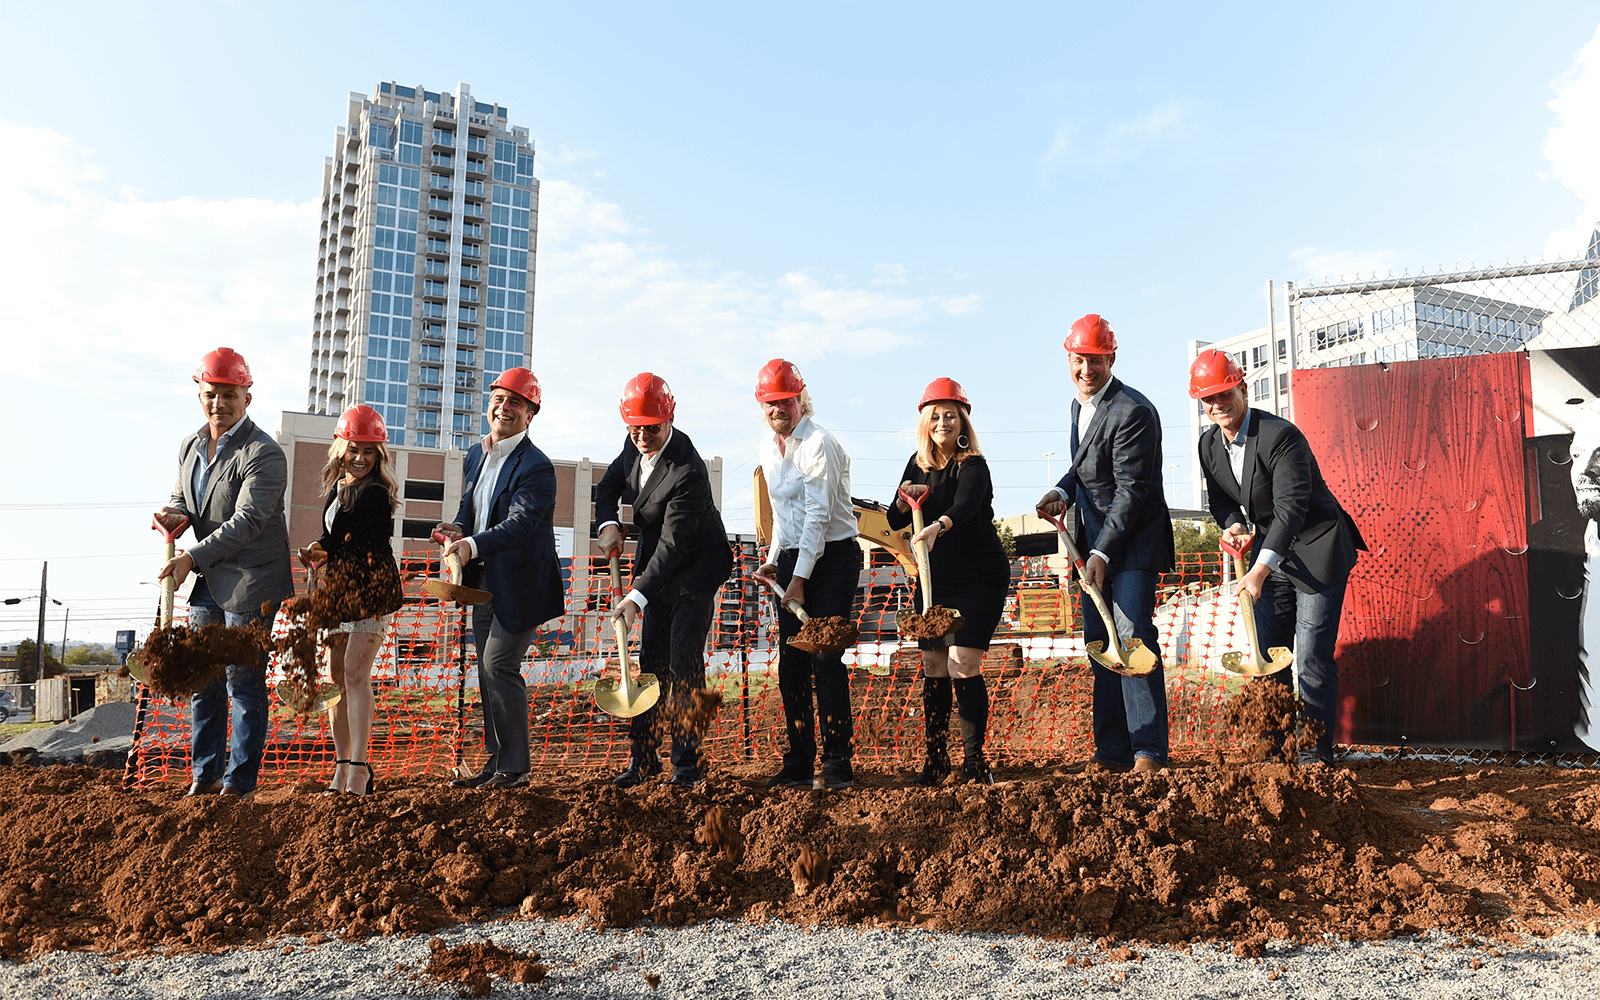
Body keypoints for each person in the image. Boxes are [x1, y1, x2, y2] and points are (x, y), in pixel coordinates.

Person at [1190, 349, 1366, 764]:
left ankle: (1313, 756)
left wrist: (1259, 570)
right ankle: (1275, 753)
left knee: (1310, 657)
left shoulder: (1280, 436)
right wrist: (1233, 524)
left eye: (1224, 393)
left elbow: (1292, 509)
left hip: (1317, 549)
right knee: (1267, 654)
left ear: (1242, 388)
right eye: (1208, 399)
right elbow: (1220, 501)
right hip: (1274, 554)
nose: (1217, 405)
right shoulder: (1208, 445)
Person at [1036, 314, 1175, 774]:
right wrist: (1060, 491)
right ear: (1069, 359)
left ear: (1111, 357)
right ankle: (1111, 754)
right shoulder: (1081, 405)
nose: (1086, 369)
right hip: (1095, 541)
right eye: (1079, 360)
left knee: (1132, 637)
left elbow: (1132, 490)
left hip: (1131, 544)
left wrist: (1101, 552)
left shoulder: (1132, 410)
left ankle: (1149, 754)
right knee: (1100, 642)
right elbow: (1083, 470)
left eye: (1095, 360)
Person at [155, 347, 293, 800]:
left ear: (247, 398)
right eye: (211, 394)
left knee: (243, 683)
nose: (219, 403)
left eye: (229, 395)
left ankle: (239, 782)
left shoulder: (265, 453)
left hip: (252, 579)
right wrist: (172, 515)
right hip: (210, 578)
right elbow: (183, 500)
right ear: (199, 393)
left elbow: (248, 521)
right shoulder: (190, 446)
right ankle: (205, 773)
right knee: (203, 678)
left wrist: (191, 558)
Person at [594, 374, 734, 789]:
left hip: (694, 568)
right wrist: (607, 524)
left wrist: (636, 599)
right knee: (650, 664)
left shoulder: (687, 469)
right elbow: (607, 486)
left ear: (668, 419)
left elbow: (674, 544)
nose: (641, 436)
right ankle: (643, 760)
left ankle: (687, 766)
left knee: (683, 662)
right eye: (634, 427)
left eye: (651, 428)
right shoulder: (632, 443)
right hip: (655, 566)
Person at [438, 368, 565, 791]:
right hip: (484, 584)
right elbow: (468, 509)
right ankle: (496, 763)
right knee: (487, 669)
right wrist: (457, 529)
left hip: (523, 585)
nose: (504, 408)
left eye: (516, 403)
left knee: (499, 663)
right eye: (498, 399)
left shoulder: (537, 467)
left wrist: (471, 545)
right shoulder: (477, 455)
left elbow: (520, 525)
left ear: (531, 414)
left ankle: (515, 767)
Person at [885, 378, 1011, 785]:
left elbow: (966, 504)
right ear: (925, 422)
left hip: (980, 576)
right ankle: (936, 760)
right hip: (937, 580)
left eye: (951, 416)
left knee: (962, 663)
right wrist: (904, 496)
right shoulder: (916, 463)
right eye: (935, 416)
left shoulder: (973, 464)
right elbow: (893, 519)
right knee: (934, 665)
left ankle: (976, 763)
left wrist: (939, 524)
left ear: (963, 421)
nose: (943, 422)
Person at [751, 359, 862, 791]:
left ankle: (837, 763)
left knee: (824, 657)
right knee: (792, 664)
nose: (778, 408)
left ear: (801, 399)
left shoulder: (819, 443)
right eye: (770, 402)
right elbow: (783, 515)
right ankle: (799, 759)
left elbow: (818, 516)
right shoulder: (767, 447)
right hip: (796, 557)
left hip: (833, 559)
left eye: (786, 400)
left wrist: (798, 578)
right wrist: (775, 558)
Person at [298, 405, 404, 795]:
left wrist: (332, 542)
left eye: (369, 451)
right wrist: (316, 548)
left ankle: (359, 768)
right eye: (354, 449)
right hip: (341, 592)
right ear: (341, 448)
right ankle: (341, 765)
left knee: (355, 675)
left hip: (371, 593)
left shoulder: (374, 493)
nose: (360, 458)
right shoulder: (338, 487)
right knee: (334, 679)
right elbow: (333, 539)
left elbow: (357, 538)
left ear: (379, 455)